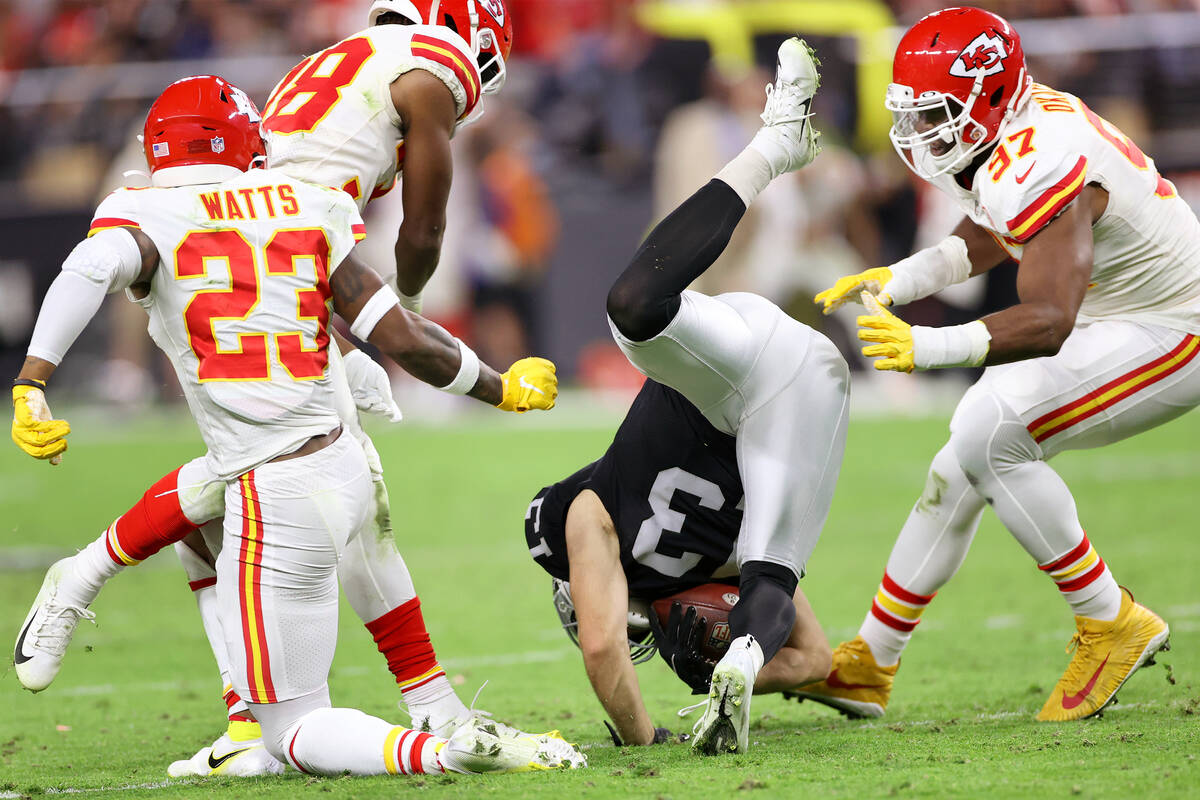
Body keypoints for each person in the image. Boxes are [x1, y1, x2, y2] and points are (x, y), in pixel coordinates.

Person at [12, 0, 532, 777]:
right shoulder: (411, 85)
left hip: (256, 269)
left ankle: (252, 718)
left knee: (264, 466)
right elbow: (409, 271)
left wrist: (32, 378)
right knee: (325, 474)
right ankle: (426, 718)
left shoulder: (331, 66)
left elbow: (89, 268)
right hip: (287, 263)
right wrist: (476, 374)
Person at [797, 6, 1197, 722]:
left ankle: (1110, 621)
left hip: (1171, 326)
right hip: (1118, 311)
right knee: (963, 458)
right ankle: (871, 661)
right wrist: (897, 280)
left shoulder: (1044, 152)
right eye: (912, 115)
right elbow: (989, 231)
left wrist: (930, 347)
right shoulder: (1005, 130)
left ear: (984, 97)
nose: (919, 133)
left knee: (986, 423)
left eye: (934, 114)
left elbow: (1049, 320)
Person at [527, 38, 847, 756]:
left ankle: (775, 143)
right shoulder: (678, 567)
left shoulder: (593, 518)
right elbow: (814, 661)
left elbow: (604, 649)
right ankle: (773, 146)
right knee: (633, 305)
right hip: (767, 366)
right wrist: (724, 668)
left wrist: (648, 736)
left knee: (767, 576)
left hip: (776, 388)